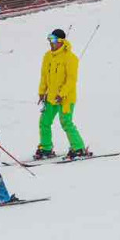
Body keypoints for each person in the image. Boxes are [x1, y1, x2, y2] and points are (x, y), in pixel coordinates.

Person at [36, 29, 86, 160]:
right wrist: (42, 92)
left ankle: (78, 148)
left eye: (52, 40)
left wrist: (62, 94)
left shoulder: (70, 58)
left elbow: (71, 80)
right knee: (44, 122)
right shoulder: (47, 56)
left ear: (61, 41)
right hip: (50, 97)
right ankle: (46, 148)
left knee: (66, 122)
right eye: (49, 39)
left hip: (66, 98)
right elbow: (44, 76)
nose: (50, 43)